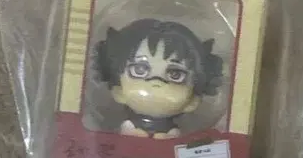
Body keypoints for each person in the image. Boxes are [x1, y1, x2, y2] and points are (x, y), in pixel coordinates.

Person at [95, 19, 224, 138]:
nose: (156, 82)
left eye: (175, 74)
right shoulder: (127, 127)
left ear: (193, 101)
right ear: (118, 90)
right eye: (139, 70)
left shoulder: (173, 133)